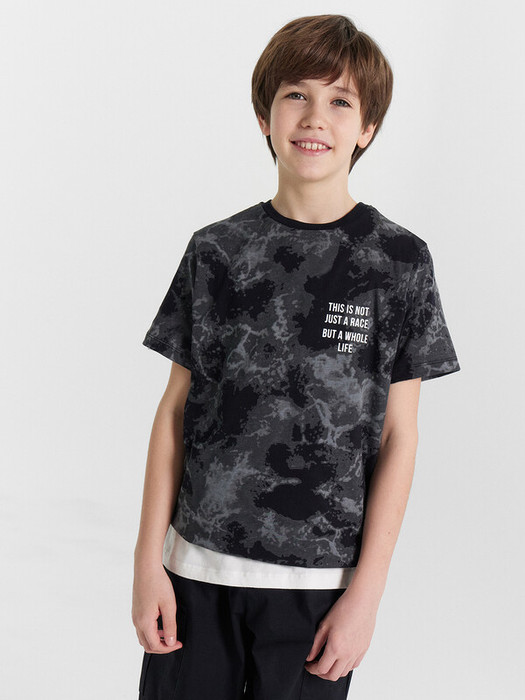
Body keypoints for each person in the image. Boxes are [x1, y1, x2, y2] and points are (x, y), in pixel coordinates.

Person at [132, 13, 461, 700]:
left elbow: (399, 437)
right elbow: (174, 412)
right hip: (195, 574)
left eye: (340, 101)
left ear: (367, 127)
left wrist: (366, 595)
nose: (315, 117)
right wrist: (147, 561)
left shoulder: (398, 262)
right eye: (296, 95)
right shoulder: (217, 250)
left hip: (319, 590)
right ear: (264, 115)